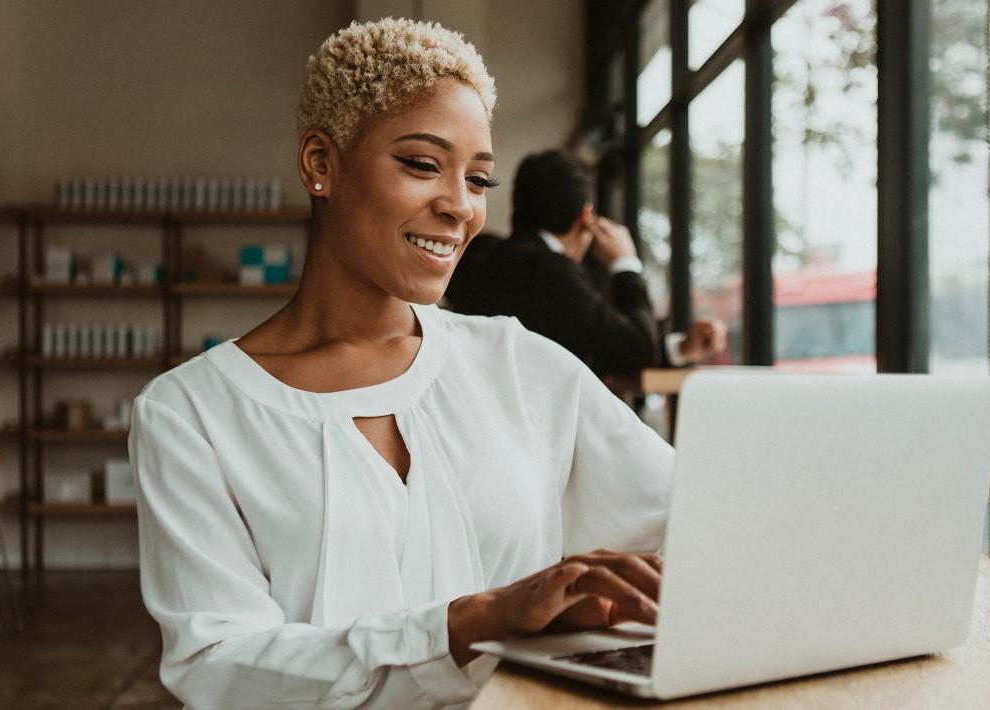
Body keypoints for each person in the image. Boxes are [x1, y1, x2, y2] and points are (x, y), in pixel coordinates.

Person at [129, 18, 673, 710]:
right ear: (320, 165)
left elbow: (702, 524)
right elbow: (221, 666)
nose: (459, 206)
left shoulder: (523, 366)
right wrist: (467, 624)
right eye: (422, 164)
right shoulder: (191, 414)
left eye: (478, 178)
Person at [445, 149, 726, 378]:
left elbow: (599, 344)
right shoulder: (550, 270)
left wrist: (680, 348)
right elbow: (637, 348)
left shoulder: (486, 260)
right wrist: (625, 264)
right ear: (586, 215)